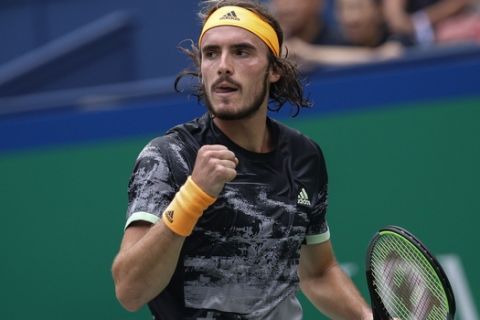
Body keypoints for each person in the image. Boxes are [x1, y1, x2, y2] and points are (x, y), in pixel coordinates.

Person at [112, 1, 373, 319]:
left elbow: (317, 272)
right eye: (211, 53)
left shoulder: (304, 156)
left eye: (241, 52)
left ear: (274, 69)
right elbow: (130, 291)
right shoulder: (168, 156)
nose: (223, 66)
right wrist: (192, 197)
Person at [270, 0, 403, 71]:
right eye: (342, 9)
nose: (350, 18)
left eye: (357, 7)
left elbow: (389, 54)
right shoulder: (343, 42)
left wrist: (309, 53)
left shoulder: (397, 38)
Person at [382, 0, 476, 46]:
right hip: (409, 42)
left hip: (451, 40)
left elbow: (458, 3)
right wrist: (416, 25)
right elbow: (396, 20)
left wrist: (422, 21)